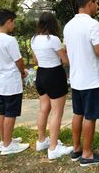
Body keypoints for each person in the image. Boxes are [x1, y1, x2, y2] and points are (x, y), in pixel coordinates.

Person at [63, 0, 99, 167]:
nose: (97, 7)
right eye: (96, 3)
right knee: (90, 116)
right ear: (90, 3)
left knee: (78, 113)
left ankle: (77, 149)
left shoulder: (68, 25)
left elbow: (67, 50)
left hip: (76, 80)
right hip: (91, 79)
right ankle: (88, 155)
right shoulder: (93, 24)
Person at [31, 12, 73, 159]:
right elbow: (66, 61)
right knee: (57, 112)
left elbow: (35, 61)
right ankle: (53, 148)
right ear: (53, 23)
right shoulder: (53, 39)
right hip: (54, 75)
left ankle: (41, 140)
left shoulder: (34, 39)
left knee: (43, 109)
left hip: (41, 74)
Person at [0, 9, 30, 155]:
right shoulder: (9, 40)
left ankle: (5, 140)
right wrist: (23, 72)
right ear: (8, 21)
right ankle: (7, 145)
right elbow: (18, 61)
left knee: (3, 110)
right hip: (10, 81)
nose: (14, 25)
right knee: (11, 112)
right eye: (13, 22)